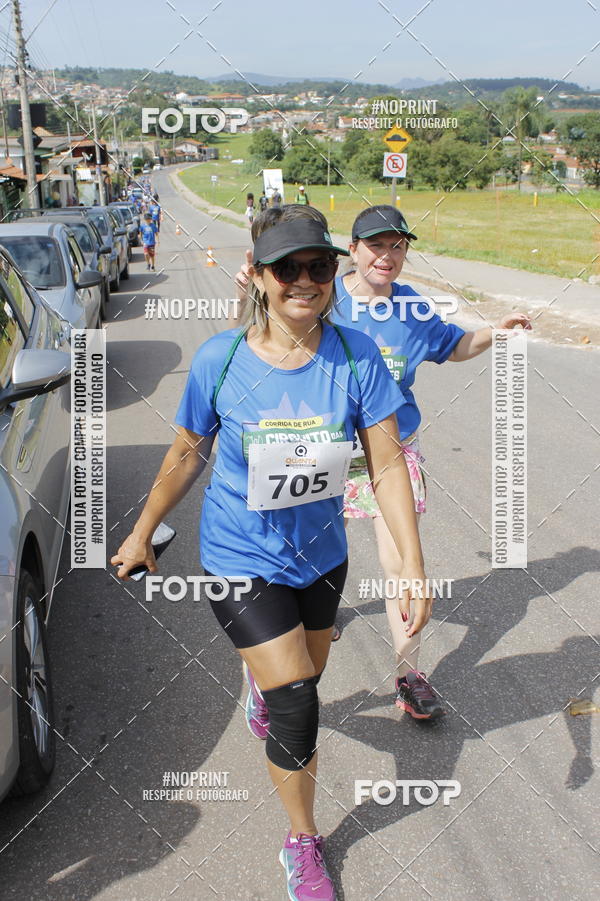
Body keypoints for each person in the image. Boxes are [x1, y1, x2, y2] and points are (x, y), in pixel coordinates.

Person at [112, 204, 430, 900]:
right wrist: (142, 530)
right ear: (258, 276)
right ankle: (302, 840)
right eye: (288, 268)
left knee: (307, 674)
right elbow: (187, 450)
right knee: (297, 702)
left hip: (320, 556)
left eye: (319, 267)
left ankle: (263, 677)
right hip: (238, 555)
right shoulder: (220, 358)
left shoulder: (355, 356)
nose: (306, 281)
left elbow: (384, 465)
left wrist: (410, 566)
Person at [330, 205, 531, 716]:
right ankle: (318, 612)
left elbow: (454, 345)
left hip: (391, 443)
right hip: (320, 442)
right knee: (312, 548)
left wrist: (496, 331)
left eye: (398, 246)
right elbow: (260, 336)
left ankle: (409, 675)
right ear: (352, 250)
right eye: (376, 245)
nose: (388, 256)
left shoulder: (412, 306)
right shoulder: (325, 299)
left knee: (401, 560)